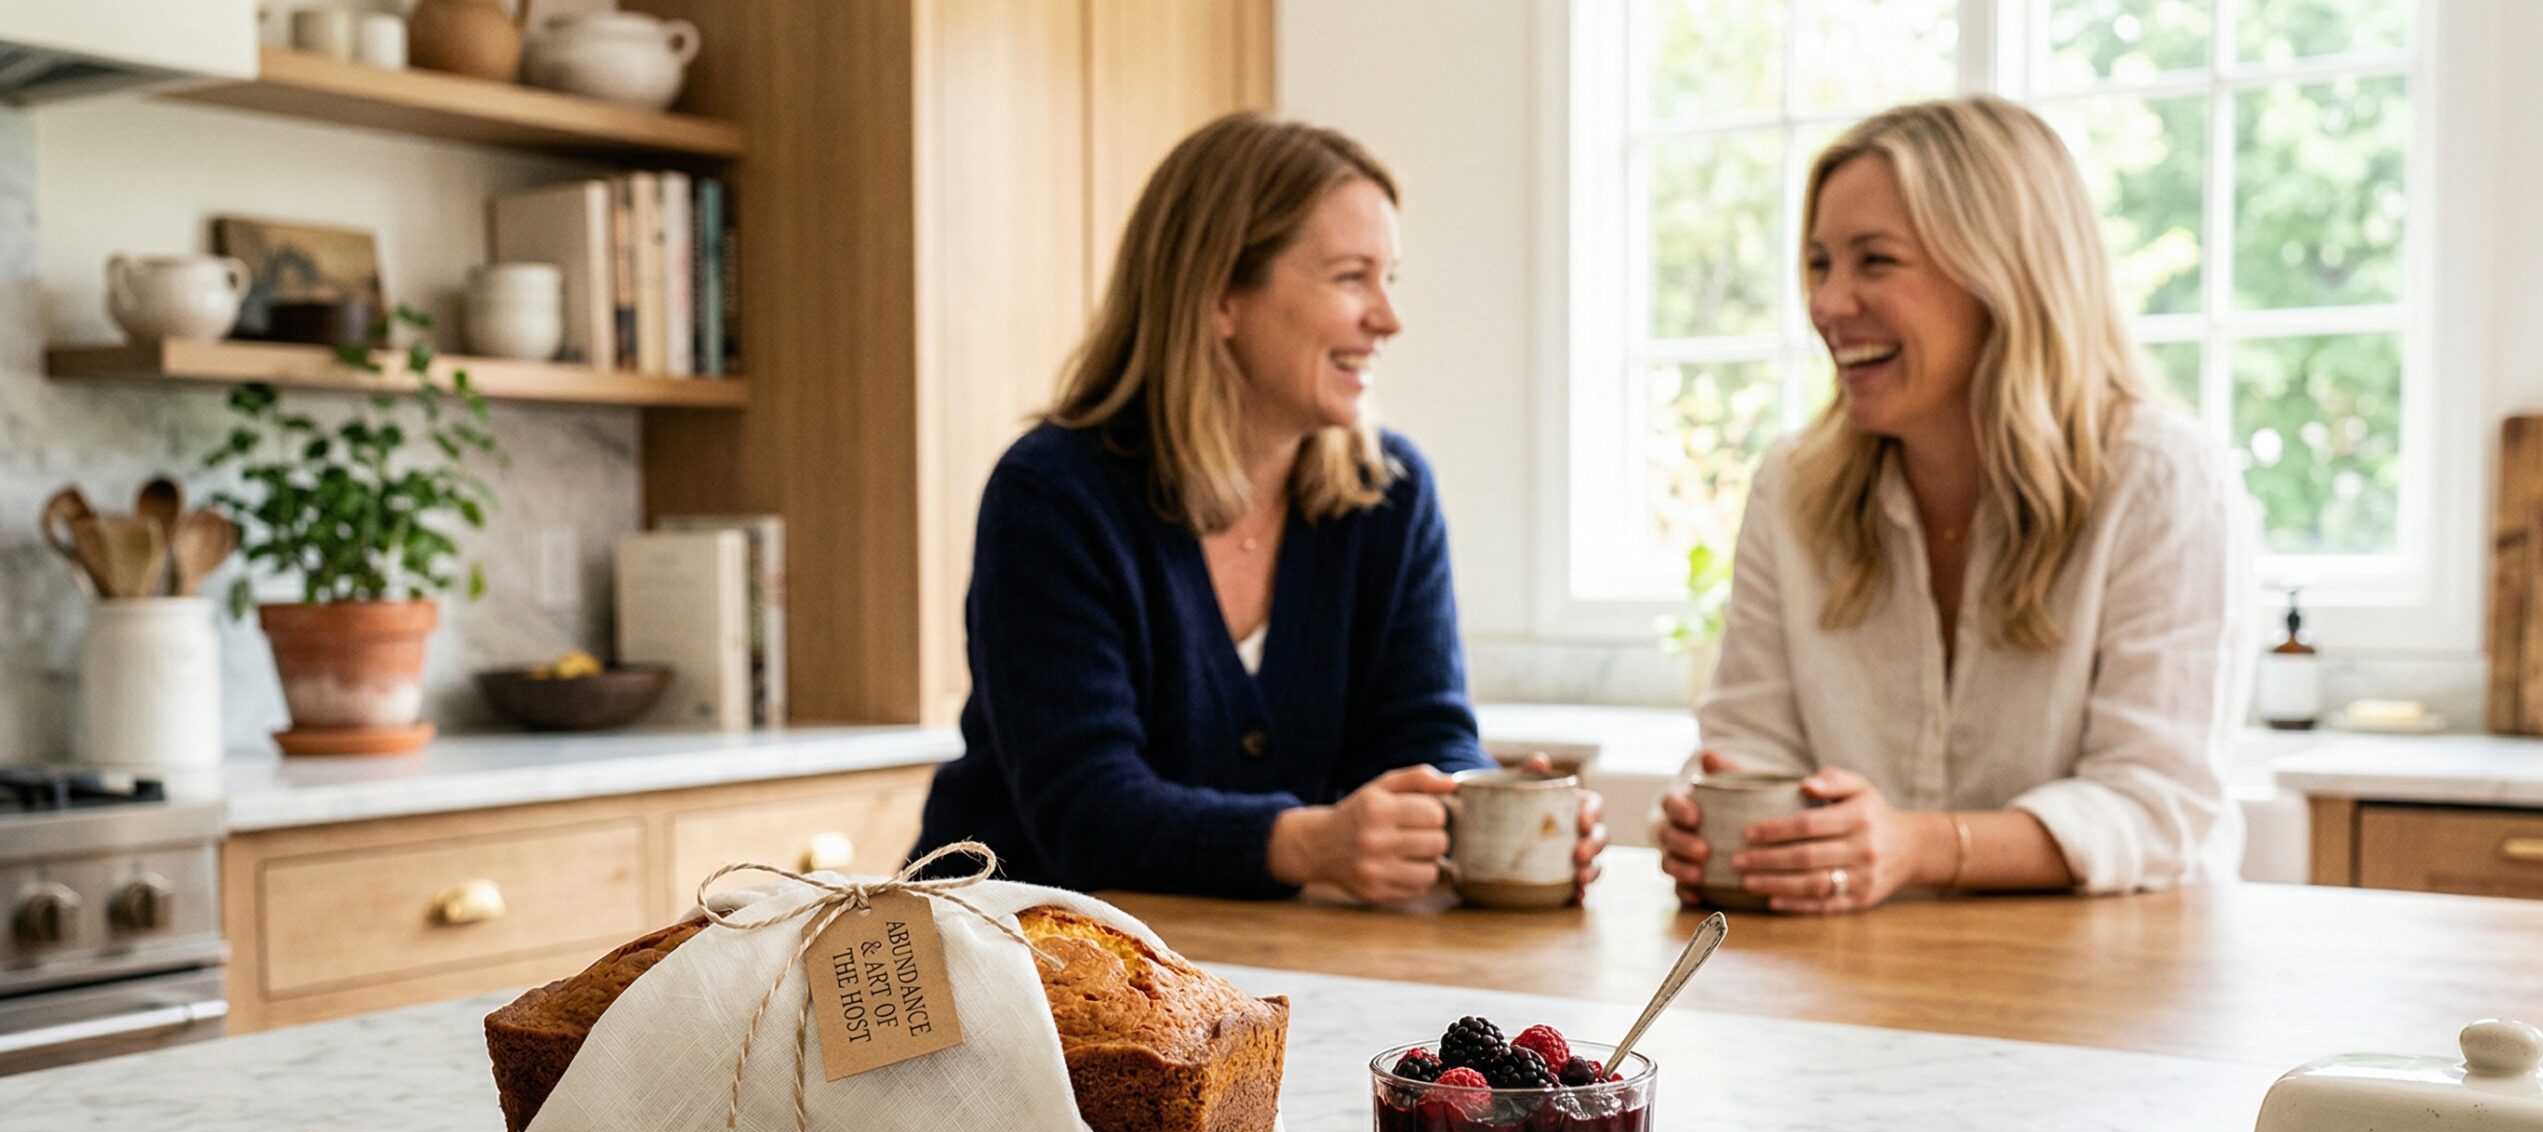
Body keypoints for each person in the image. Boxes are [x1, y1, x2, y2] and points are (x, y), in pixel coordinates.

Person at [914, 112, 1604, 903]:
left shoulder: (1391, 492)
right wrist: (1309, 842)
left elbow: (1425, 737)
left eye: (1390, 279)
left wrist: (1495, 814)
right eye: (1352, 277)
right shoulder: (1052, 494)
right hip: (1006, 966)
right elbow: (1087, 812)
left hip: (1249, 963)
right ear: (1219, 298)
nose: (1388, 317)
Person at [1653, 96, 2254, 914]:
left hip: (2116, 988)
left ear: (2003, 275)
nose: (1827, 304)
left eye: (1875, 261)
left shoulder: (2161, 478)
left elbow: (2157, 803)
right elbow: (1748, 748)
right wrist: (1721, 823)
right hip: (1862, 981)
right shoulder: (1791, 487)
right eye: (1819, 263)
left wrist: (1915, 845)